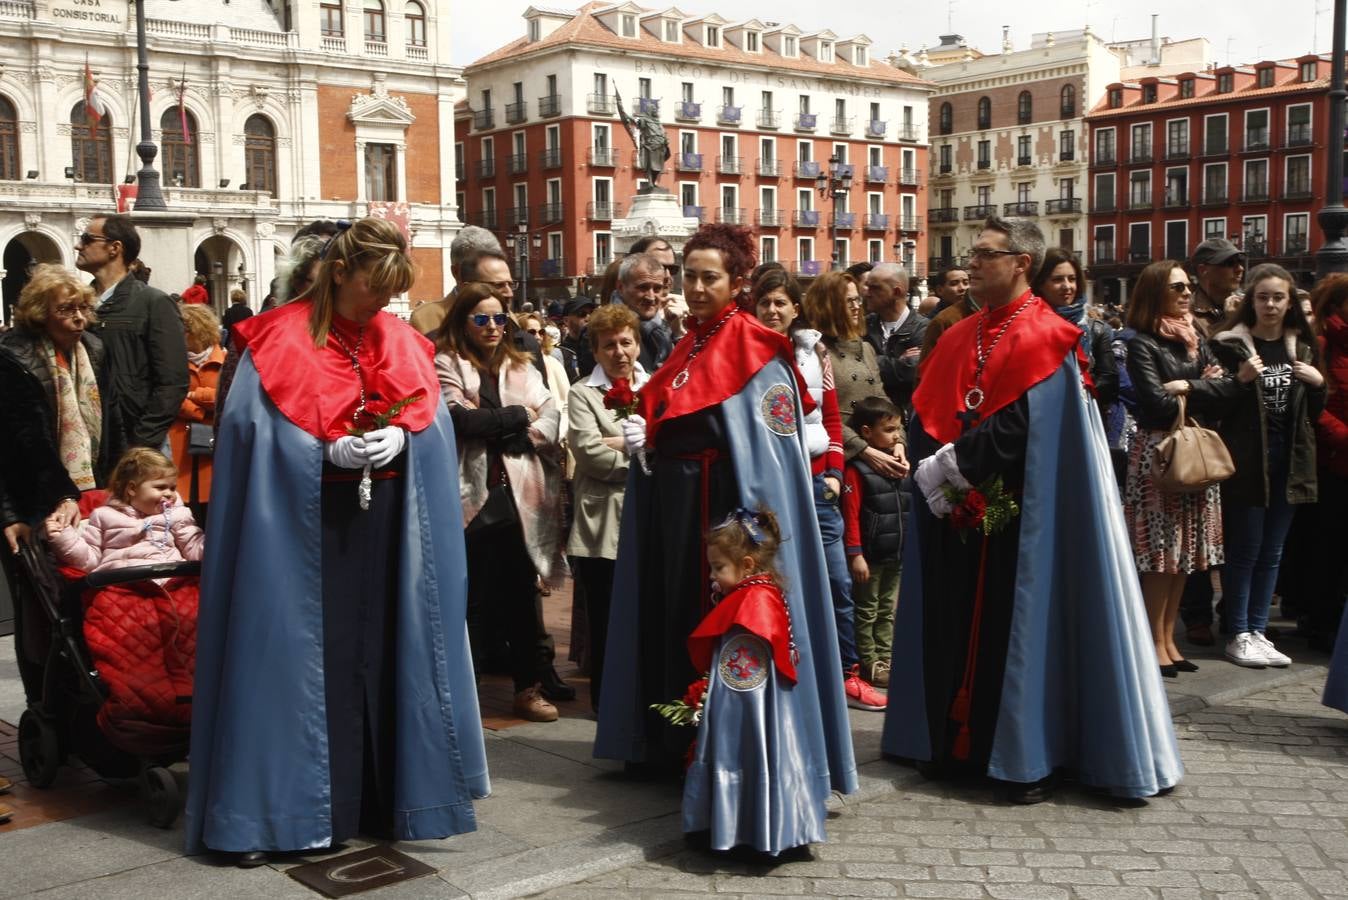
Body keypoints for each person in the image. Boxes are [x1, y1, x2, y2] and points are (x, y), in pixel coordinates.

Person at [185, 217, 488, 865]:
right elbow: (249, 438)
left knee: (383, 657)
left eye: (392, 291)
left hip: (385, 537)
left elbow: (432, 422)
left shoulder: (402, 341)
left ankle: (383, 800)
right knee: (293, 664)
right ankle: (278, 812)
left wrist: (408, 437)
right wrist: (320, 451)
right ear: (339, 273)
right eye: (374, 287)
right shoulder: (270, 340)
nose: (382, 303)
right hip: (298, 536)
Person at [883, 217, 1182, 802]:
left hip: (1026, 515)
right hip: (955, 511)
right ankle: (950, 745)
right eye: (972, 253)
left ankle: (1017, 754)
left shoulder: (1048, 335)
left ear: (1021, 262)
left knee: (1012, 630)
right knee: (949, 617)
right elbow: (930, 407)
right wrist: (937, 469)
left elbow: (1026, 425)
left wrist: (960, 463)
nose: (972, 262)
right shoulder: (959, 332)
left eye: (985, 254)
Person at [595, 223, 857, 800]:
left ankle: (719, 748)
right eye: (687, 276)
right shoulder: (688, 342)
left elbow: (768, 449)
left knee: (718, 623)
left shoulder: (756, 347)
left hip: (720, 513)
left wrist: (748, 535)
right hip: (675, 507)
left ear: (737, 282)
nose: (693, 287)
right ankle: (668, 740)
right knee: (672, 616)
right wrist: (650, 437)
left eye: (707, 277)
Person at [752, 269, 883, 710]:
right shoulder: (744, 351)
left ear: (795, 308)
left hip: (817, 481)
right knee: (777, 583)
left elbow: (829, 417)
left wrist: (832, 472)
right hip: (768, 484)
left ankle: (846, 674)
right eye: (765, 301)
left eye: (780, 302)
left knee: (837, 581)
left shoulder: (816, 353)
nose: (773, 310)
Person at [436, 283, 566, 723]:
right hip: (468, 499)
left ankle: (528, 689)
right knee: (467, 600)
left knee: (520, 599)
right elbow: (457, 420)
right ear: (462, 321)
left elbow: (550, 419)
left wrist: (507, 427)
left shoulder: (522, 365)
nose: (492, 327)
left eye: (498, 318)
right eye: (480, 318)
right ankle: (462, 694)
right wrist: (515, 417)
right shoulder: (446, 363)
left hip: (518, 500)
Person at [683, 508, 828, 856]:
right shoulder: (759, 594)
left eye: (718, 568)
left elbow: (741, 679)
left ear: (747, 565)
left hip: (747, 706)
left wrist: (717, 703)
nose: (712, 575)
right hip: (766, 704)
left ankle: (744, 827)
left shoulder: (753, 603)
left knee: (746, 753)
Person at [1123, 260, 1243, 677]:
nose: (1187, 292)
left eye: (1188, 285)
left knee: (1185, 556)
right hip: (1161, 453)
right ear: (1156, 291)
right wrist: (1203, 385)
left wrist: (1188, 386)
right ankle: (1153, 641)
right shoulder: (1142, 343)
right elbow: (1154, 403)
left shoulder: (1194, 338)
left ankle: (1169, 640)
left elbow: (1228, 389)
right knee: (1161, 555)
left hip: (1194, 449)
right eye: (1177, 287)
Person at [1209, 264, 1324, 668]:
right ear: (1251, 301)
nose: (1271, 305)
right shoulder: (1229, 345)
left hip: (1289, 457)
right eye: (1263, 297)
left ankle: (1257, 630)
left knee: (1273, 551)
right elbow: (1214, 402)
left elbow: (1314, 413)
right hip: (1247, 457)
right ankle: (1237, 631)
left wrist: (1318, 385)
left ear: (1289, 302)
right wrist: (1239, 380)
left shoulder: (1303, 349)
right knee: (1245, 549)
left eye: (1278, 297)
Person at [566, 303, 646, 708]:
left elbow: (665, 442)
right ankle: (605, 702)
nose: (619, 352)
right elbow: (589, 453)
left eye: (626, 342)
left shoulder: (654, 386)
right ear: (596, 352)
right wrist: (637, 454)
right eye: (609, 345)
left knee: (644, 614)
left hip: (647, 519)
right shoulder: (583, 392)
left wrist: (619, 444)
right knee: (606, 615)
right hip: (602, 525)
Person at [77, 215, 188, 474]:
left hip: (137, 446)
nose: (78, 246)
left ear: (114, 248)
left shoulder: (154, 303)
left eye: (87, 239)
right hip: (87, 443)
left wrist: (141, 443)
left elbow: (173, 382)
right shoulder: (78, 306)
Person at [0, 264, 105, 492]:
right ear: (40, 313)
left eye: (83, 308)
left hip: (94, 482)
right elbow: (13, 439)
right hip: (30, 486)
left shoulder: (94, 348)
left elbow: (114, 423)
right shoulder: (14, 356)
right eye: (66, 309)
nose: (79, 318)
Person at [46, 448, 203, 574]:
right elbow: (89, 560)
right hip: (122, 586)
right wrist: (63, 537)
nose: (169, 493)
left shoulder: (178, 515)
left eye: (172, 488)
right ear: (132, 489)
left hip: (172, 581)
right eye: (161, 487)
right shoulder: (104, 516)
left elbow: (194, 548)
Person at [841, 397, 905, 689]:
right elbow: (851, 516)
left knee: (887, 608)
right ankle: (869, 661)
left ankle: (887, 657)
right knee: (867, 609)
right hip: (870, 555)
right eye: (889, 430)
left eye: (898, 429)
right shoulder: (857, 470)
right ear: (866, 432)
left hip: (895, 553)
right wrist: (855, 554)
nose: (896, 436)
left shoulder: (899, 464)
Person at [1303, 274, 1348, 652]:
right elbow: (1315, 404)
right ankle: (1321, 623)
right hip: (1333, 462)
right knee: (1329, 547)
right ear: (1337, 305)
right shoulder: (1320, 344)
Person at [1032, 248, 1119, 417]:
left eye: (1072, 279)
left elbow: (1109, 381)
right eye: (1057, 279)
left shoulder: (1096, 329)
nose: (1067, 286)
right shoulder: (1028, 325)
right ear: (1041, 284)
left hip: (1085, 418)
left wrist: (1075, 392)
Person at [169, 304, 226, 515]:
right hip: (179, 443)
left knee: (212, 508)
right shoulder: (172, 361)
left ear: (195, 331)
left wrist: (193, 395)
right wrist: (200, 412)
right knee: (181, 508)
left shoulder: (225, 359)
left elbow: (224, 396)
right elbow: (170, 396)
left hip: (212, 444)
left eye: (182, 331)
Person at [409, 225, 503, 335]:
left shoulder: (507, 318)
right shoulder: (425, 319)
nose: (492, 279)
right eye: (484, 269)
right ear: (456, 272)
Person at [863, 263, 928, 415]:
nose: (867, 293)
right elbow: (854, 364)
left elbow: (912, 371)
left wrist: (871, 360)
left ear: (897, 292)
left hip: (905, 419)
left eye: (875, 288)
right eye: (867, 287)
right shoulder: (863, 326)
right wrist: (898, 361)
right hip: (870, 420)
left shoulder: (923, 329)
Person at [920, 266, 978, 364]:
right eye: (954, 284)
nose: (962, 288)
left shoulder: (978, 312)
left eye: (966, 282)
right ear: (940, 290)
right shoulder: (938, 321)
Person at [559, 296, 594, 382]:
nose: (588, 318)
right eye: (582, 314)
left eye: (592, 313)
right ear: (566, 321)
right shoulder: (559, 354)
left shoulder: (600, 348)